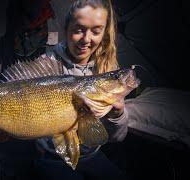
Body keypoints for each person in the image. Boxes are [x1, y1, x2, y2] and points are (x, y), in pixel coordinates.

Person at [32, 0, 129, 179]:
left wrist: (118, 115)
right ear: (66, 29)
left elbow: (117, 138)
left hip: (92, 155)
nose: (86, 39)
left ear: (104, 33)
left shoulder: (107, 68)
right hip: (52, 158)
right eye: (78, 30)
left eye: (96, 31)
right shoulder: (46, 65)